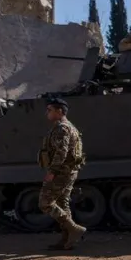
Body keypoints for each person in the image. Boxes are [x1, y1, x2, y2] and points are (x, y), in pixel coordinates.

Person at [38, 99, 86, 251]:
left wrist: (52, 172)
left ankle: (74, 229)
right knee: (62, 204)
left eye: (50, 109)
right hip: (68, 171)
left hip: (61, 172)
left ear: (59, 111)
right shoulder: (69, 126)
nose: (47, 113)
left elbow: (61, 152)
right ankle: (67, 240)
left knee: (45, 202)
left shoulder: (62, 128)